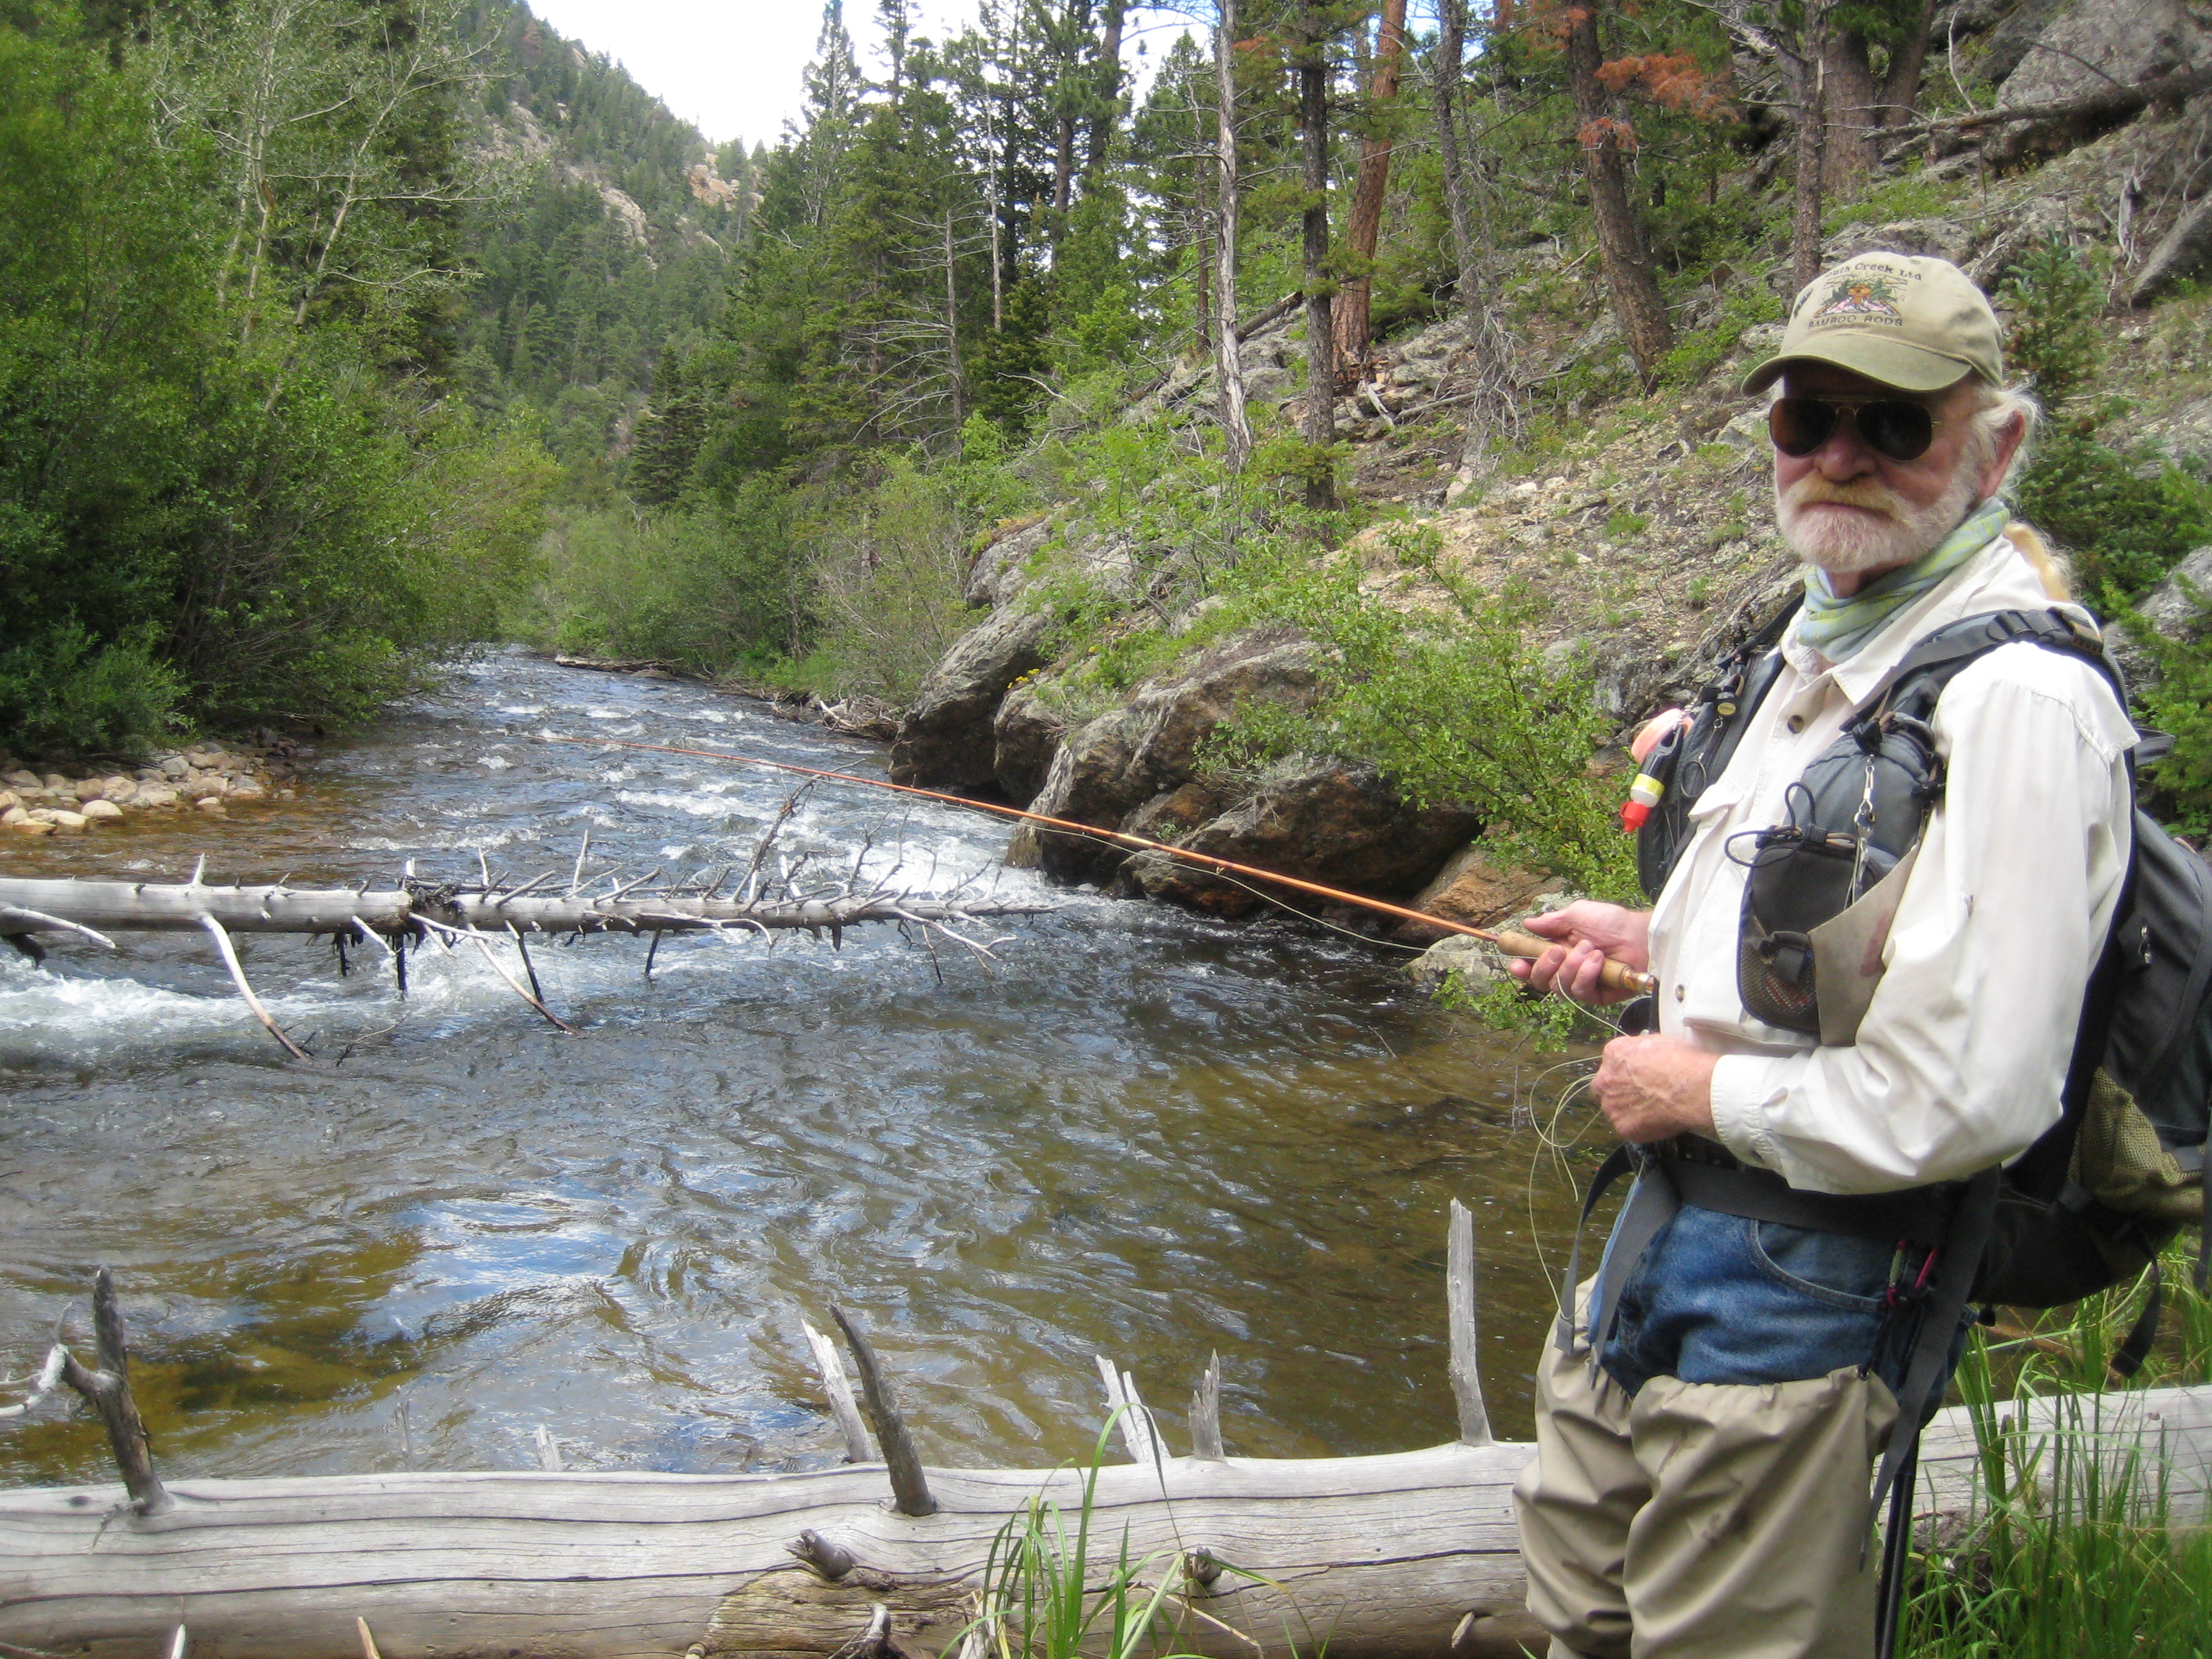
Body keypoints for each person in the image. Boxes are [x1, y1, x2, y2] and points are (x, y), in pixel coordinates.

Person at [1506, 251, 2139, 1659]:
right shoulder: (1817, 639)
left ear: (1996, 443)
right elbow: (1815, 938)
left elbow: (1979, 1092)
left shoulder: (2024, 698)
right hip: (1656, 1242)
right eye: (1809, 421)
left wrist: (1697, 1094)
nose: (1843, 458)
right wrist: (1652, 953)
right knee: (1578, 1620)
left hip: (1816, 1283)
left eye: (1896, 425)